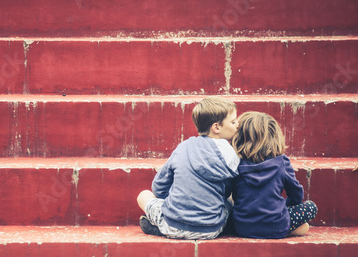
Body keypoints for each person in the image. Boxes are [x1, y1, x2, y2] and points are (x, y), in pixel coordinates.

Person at [136, 97, 240, 239]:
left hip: (172, 224)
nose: (238, 125)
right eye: (233, 122)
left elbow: (159, 187)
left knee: (143, 195)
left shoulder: (183, 147)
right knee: (229, 201)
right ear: (216, 127)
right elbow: (228, 190)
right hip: (211, 229)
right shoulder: (231, 154)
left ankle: (160, 228)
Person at [231, 111, 318, 239]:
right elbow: (296, 194)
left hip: (242, 228)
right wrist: (283, 207)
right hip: (277, 224)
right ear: (275, 137)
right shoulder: (282, 162)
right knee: (311, 207)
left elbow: (230, 192)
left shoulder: (235, 162)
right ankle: (288, 228)